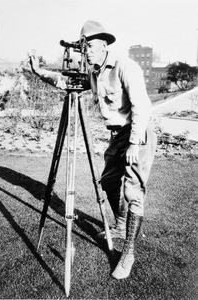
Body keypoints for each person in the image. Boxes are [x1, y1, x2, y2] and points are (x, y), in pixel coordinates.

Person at [25, 20, 157, 280]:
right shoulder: (94, 72)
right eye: (84, 47)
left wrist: (133, 143)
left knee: (133, 192)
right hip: (117, 135)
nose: (87, 52)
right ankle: (120, 225)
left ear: (105, 45)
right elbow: (66, 82)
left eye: (91, 47)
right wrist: (39, 71)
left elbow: (142, 107)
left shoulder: (124, 66)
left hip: (137, 133)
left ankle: (128, 253)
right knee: (108, 181)